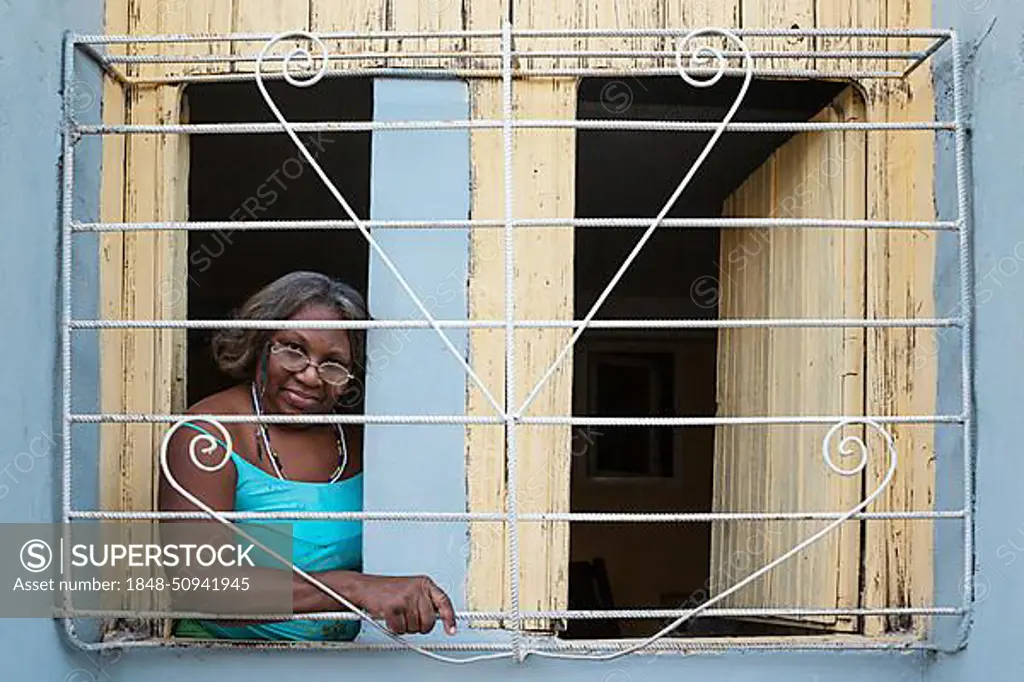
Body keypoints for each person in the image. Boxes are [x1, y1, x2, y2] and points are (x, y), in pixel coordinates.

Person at [160, 270, 456, 642]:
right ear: (261, 342)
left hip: (340, 662)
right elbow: (200, 587)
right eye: (293, 349)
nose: (311, 376)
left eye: (333, 364)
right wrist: (353, 588)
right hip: (222, 660)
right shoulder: (209, 437)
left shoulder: (362, 442)